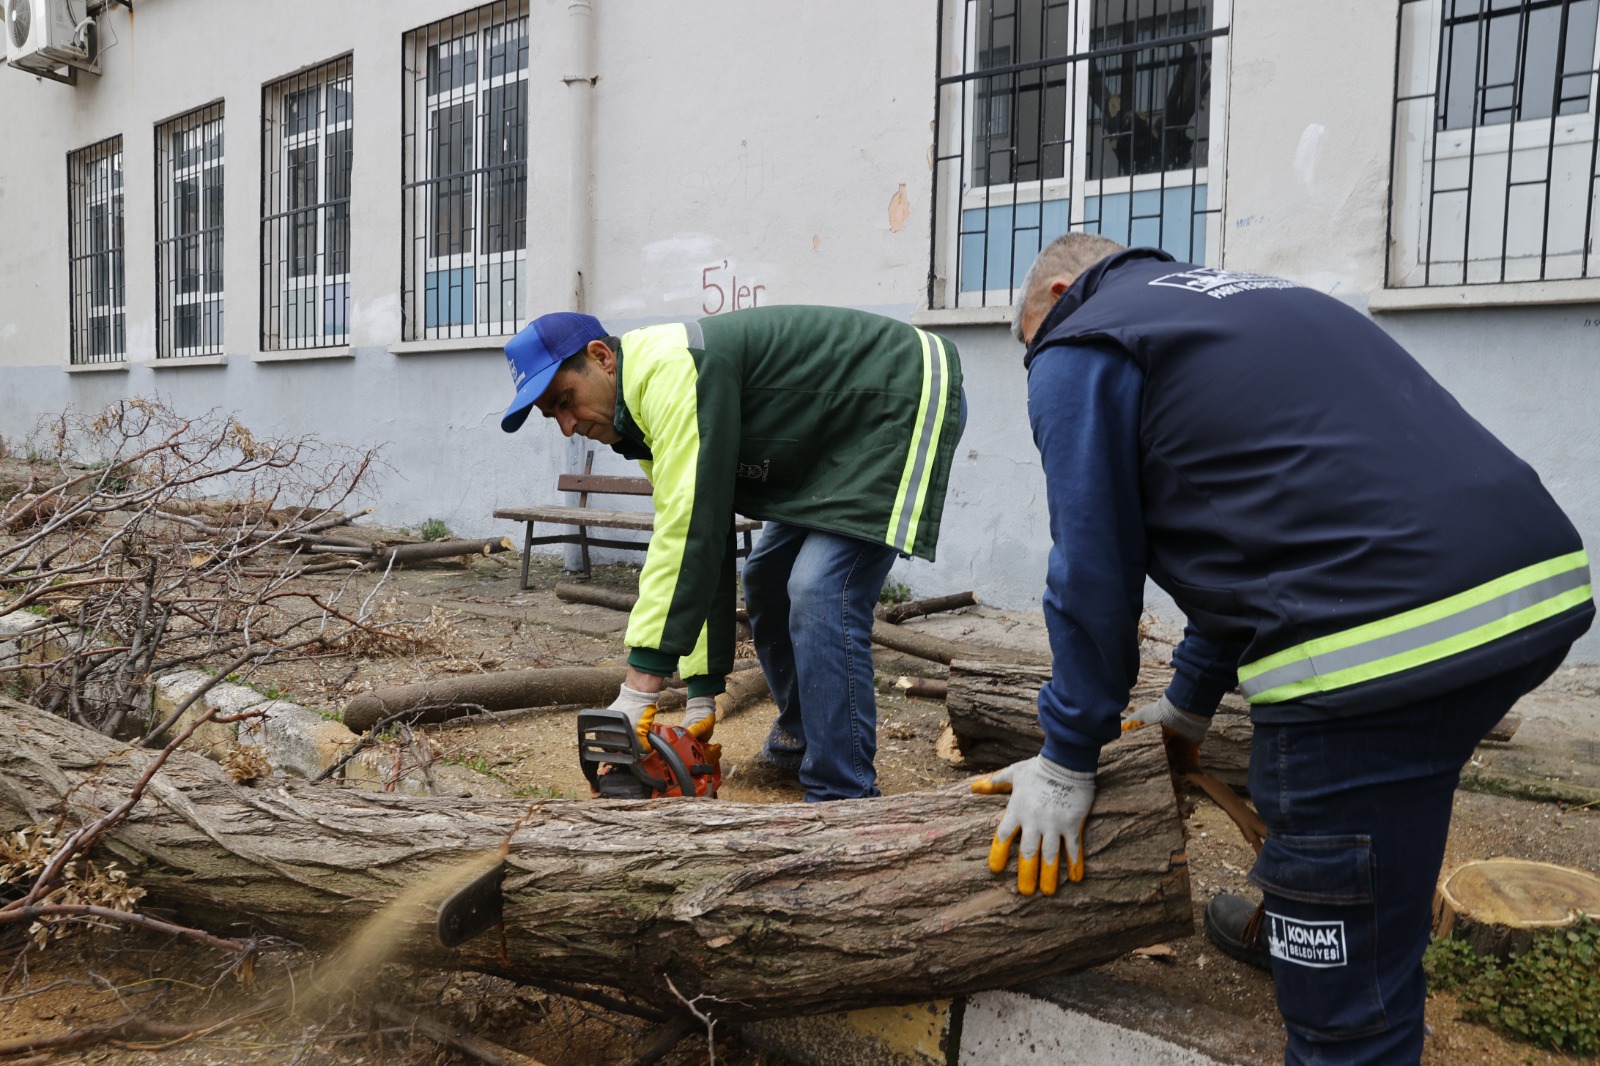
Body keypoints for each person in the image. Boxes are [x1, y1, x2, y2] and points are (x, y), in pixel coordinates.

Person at [974, 233, 1593, 1064]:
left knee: (1344, 1001)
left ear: (1056, 296)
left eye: (1028, 346)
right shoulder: (1250, 302)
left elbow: (1090, 567)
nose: (1035, 364)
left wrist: (1066, 757)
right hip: (1536, 589)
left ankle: (1346, 1000)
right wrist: (1187, 705)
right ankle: (1337, 930)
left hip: (1380, 633)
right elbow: (1260, 530)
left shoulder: (1082, 339)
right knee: (1391, 803)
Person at [500, 307, 963, 802]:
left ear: (601, 357)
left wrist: (639, 688)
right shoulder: (637, 417)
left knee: (818, 590)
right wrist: (702, 689)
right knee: (765, 579)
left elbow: (688, 532)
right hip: (825, 437)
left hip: (899, 395)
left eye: (565, 401)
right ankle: (800, 741)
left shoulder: (671, 373)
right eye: (553, 415)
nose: (567, 426)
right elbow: (706, 536)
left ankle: (841, 792)